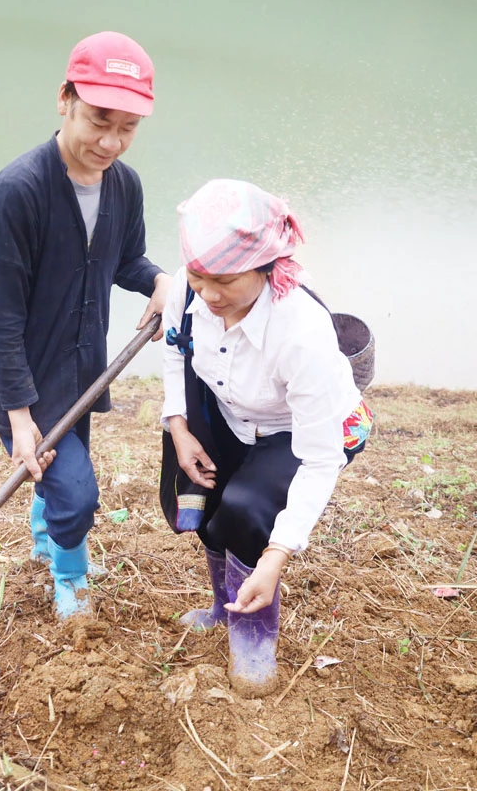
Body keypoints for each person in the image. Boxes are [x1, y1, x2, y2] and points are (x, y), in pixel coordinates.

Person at [0, 32, 171, 621]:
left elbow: (123, 259)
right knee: (77, 497)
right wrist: (20, 417)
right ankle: (70, 575)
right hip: (24, 384)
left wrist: (157, 279)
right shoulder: (18, 194)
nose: (110, 142)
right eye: (97, 121)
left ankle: (45, 537)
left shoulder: (124, 185)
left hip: (82, 371)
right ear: (65, 99)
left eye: (128, 127)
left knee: (65, 486)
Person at [159, 179, 373, 697]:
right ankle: (221, 604)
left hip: (302, 431)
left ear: (266, 268)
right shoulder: (189, 290)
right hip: (231, 410)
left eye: (226, 281)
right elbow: (172, 353)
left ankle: (253, 635)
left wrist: (275, 559)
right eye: (198, 276)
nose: (208, 294)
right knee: (203, 499)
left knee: (249, 507)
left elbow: (319, 461)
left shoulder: (301, 333)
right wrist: (180, 430)